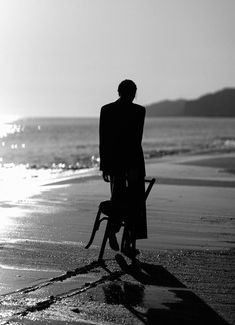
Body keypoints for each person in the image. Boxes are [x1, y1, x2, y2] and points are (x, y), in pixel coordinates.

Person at [99, 79, 146, 255]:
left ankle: (120, 236)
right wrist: (106, 166)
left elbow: (104, 140)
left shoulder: (108, 110)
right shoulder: (139, 111)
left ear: (118, 91)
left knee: (122, 200)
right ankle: (124, 240)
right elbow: (136, 139)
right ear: (132, 93)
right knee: (133, 202)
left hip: (118, 163)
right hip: (132, 162)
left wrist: (105, 166)